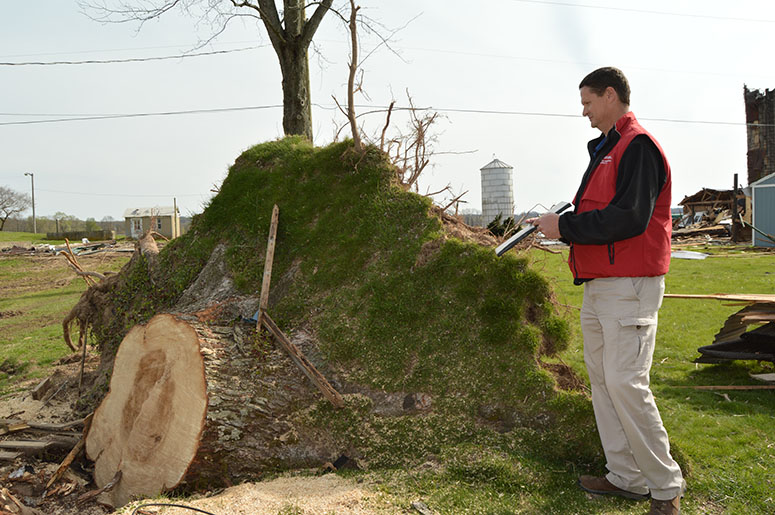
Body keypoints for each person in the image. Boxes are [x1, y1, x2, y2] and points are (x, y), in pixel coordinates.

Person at [531, 67, 684, 515]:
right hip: (600, 287)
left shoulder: (637, 147)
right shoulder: (606, 150)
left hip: (630, 287)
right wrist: (564, 226)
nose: (584, 112)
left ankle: (665, 488)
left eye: (588, 102)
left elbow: (629, 218)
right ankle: (627, 477)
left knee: (625, 382)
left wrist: (565, 227)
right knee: (603, 381)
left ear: (611, 95)